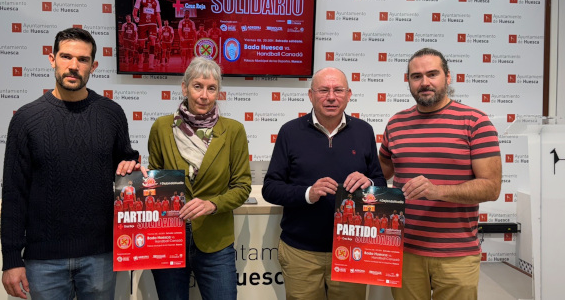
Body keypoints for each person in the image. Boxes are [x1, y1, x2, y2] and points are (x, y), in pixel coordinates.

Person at [0, 27, 142, 300]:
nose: (73, 66)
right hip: (43, 261)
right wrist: (11, 260)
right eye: (66, 57)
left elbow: (125, 161)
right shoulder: (26, 120)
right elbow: (14, 194)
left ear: (93, 66)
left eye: (83, 59)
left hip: (100, 255)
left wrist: (132, 164)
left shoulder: (112, 114)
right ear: (52, 59)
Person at [379, 47, 502, 300]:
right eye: (416, 76)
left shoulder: (475, 122)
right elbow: (381, 173)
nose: (424, 82)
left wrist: (438, 191)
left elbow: (492, 187)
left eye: (432, 74)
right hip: (404, 251)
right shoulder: (395, 124)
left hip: (457, 254)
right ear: (409, 82)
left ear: (448, 77)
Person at [262, 67, 386, 300]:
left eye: (338, 90)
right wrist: (308, 193)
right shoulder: (290, 132)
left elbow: (379, 182)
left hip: (353, 249)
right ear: (310, 95)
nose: (331, 96)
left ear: (349, 95)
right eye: (323, 90)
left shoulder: (364, 131)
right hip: (301, 252)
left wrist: (368, 181)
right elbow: (271, 187)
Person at [148, 56, 251, 299]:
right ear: (184, 87)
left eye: (211, 88)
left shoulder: (233, 130)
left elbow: (242, 186)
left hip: (216, 242)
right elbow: (154, 180)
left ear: (218, 93)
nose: (204, 95)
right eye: (197, 86)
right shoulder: (162, 127)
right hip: (169, 237)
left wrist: (212, 204)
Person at [133, 0, 162, 69]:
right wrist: (135, 17)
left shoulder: (156, 1)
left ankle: (151, 64)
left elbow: (157, 15)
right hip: (142, 23)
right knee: (141, 44)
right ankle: (140, 62)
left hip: (152, 24)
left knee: (152, 41)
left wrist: (160, 27)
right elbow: (135, 10)